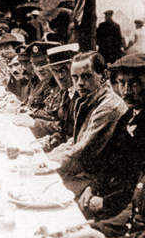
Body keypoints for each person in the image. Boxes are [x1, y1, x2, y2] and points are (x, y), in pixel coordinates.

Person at [47, 51, 127, 197]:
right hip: (85, 172)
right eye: (75, 77)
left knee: (49, 193)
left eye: (86, 76)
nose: (80, 83)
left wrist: (44, 165)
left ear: (103, 76)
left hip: (100, 181)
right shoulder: (89, 98)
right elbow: (75, 140)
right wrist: (47, 158)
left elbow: (82, 150)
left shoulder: (109, 106)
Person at [77, 53, 145, 221]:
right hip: (108, 195)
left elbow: (138, 183)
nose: (126, 91)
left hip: (128, 208)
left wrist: (106, 203)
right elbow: (109, 161)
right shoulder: (129, 115)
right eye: (121, 83)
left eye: (134, 83)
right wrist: (92, 188)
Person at [14, 43, 79, 140]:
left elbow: (65, 127)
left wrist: (34, 122)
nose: (39, 69)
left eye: (43, 64)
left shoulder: (70, 90)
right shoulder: (61, 89)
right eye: (35, 65)